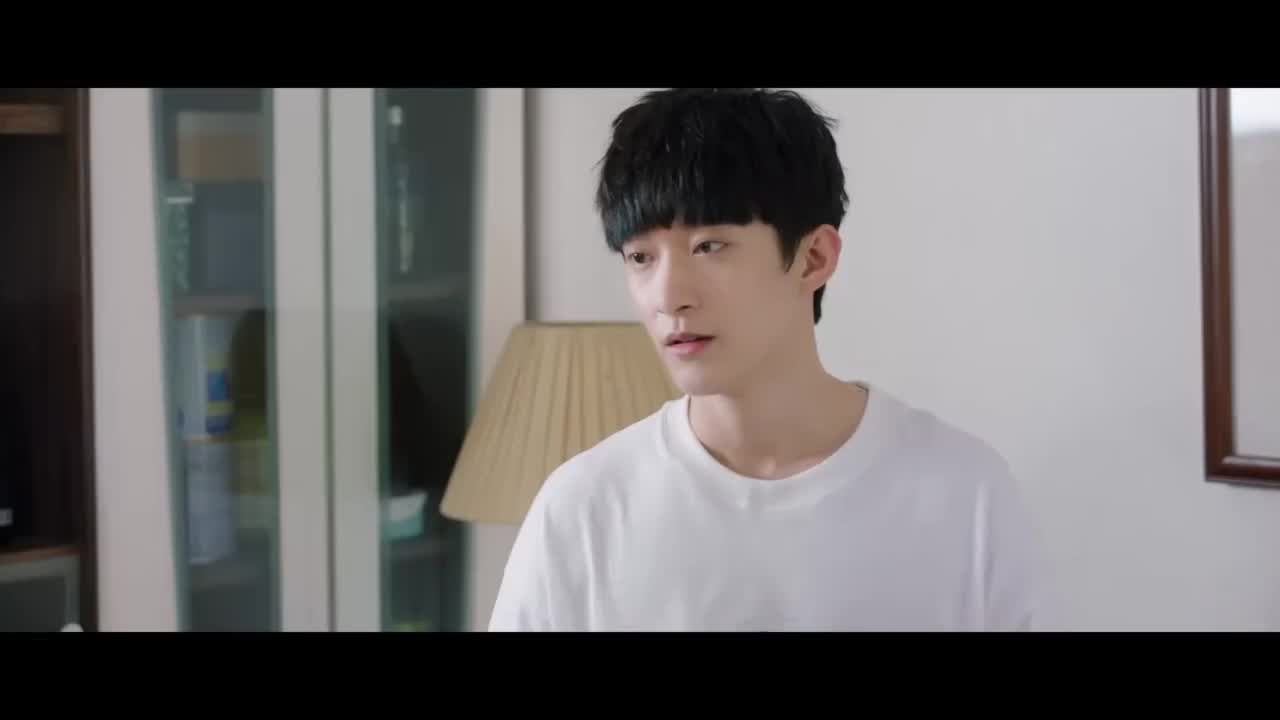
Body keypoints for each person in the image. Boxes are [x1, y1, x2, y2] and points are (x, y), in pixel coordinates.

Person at [488, 88, 1048, 631]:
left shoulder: (964, 494)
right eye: (640, 257)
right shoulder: (584, 508)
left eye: (709, 246)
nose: (668, 296)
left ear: (813, 258)